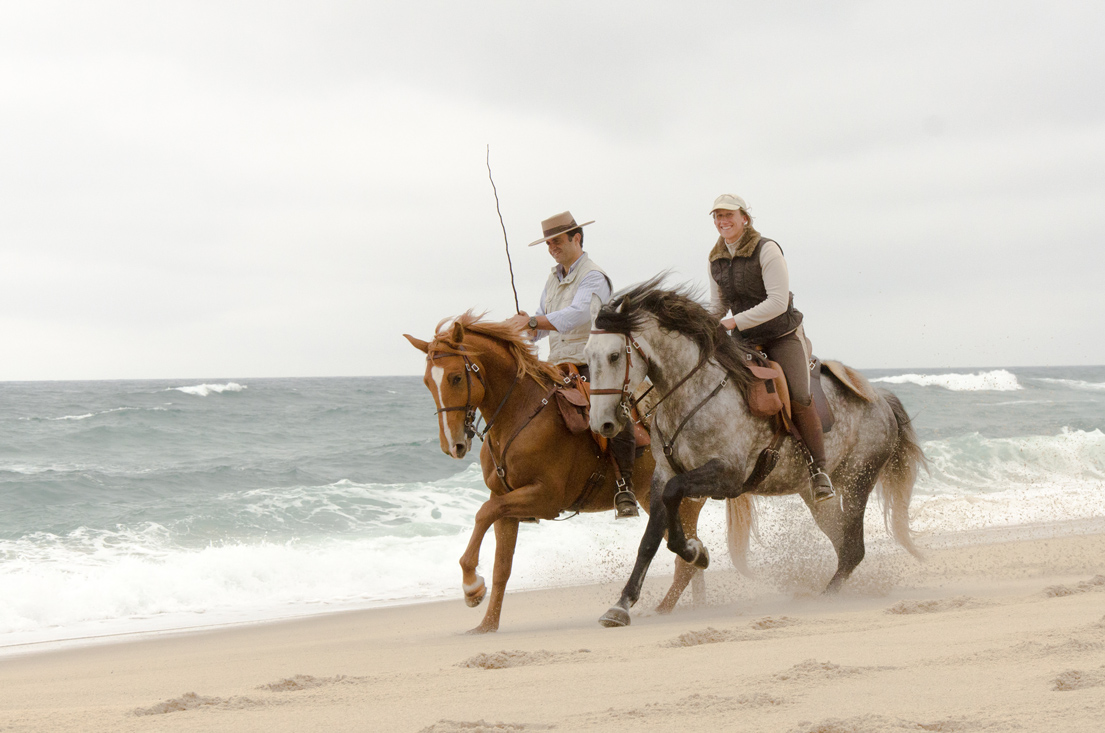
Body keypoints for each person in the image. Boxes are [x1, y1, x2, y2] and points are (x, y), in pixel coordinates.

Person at [506, 211, 640, 518]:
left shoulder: (594, 276)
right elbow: (542, 324)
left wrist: (531, 320)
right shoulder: (552, 279)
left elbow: (577, 316)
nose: (551, 247)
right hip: (557, 365)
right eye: (548, 243)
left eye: (556, 241)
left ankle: (625, 486)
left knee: (614, 410)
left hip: (592, 361)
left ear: (576, 238)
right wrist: (517, 332)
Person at [707, 194, 835, 502]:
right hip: (744, 340)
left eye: (729, 215)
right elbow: (718, 306)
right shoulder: (715, 259)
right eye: (718, 216)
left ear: (744, 218)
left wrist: (733, 322)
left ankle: (819, 471)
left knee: (799, 395)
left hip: (782, 335)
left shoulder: (767, 249)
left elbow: (777, 303)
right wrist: (703, 327)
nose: (723, 221)